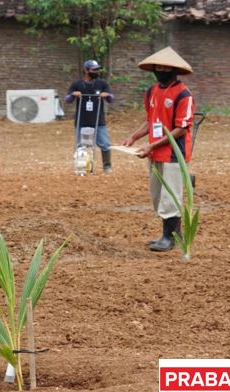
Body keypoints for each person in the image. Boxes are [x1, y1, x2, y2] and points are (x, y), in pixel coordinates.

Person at [122, 47, 195, 252]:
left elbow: (181, 128)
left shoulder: (183, 94)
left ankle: (168, 237)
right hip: (154, 152)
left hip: (174, 154)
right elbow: (151, 120)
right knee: (157, 194)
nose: (161, 70)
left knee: (170, 195)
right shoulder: (152, 92)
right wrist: (133, 137)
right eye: (158, 67)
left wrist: (151, 145)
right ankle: (173, 234)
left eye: (166, 67)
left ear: (174, 70)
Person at [64, 59, 115, 173]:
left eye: (97, 69)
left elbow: (111, 98)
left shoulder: (102, 83)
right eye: (94, 70)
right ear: (86, 70)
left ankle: (107, 166)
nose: (96, 72)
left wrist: (106, 95)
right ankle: (83, 167)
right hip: (82, 121)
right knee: (81, 145)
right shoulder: (77, 84)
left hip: (98, 120)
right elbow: (67, 99)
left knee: (105, 144)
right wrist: (73, 94)